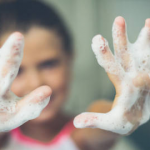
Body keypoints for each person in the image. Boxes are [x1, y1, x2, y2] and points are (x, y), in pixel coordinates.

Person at [0, 0, 149, 150]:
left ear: (70, 58)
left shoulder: (83, 133)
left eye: (48, 64)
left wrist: (121, 112)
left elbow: (101, 118)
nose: (35, 83)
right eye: (17, 71)